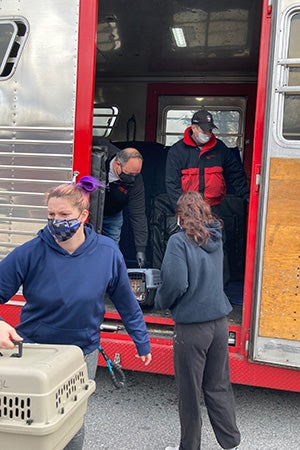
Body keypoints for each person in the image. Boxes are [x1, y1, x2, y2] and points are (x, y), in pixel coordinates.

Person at [0, 175, 152, 450]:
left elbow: (125, 301)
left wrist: (141, 339)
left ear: (83, 215)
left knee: (72, 424)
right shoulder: (30, 252)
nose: (56, 220)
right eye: (51, 214)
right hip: (35, 353)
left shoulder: (107, 252)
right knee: (31, 426)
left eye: (64, 214)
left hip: (82, 353)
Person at [154, 191, 240, 450]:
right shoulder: (215, 237)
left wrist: (160, 301)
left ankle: (189, 447)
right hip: (219, 323)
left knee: (190, 394)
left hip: (192, 327)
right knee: (218, 385)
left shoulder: (178, 242)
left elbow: (176, 283)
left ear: (180, 216)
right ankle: (231, 442)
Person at [165, 108, 250, 284]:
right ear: (193, 128)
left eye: (210, 130)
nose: (208, 133)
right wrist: (183, 211)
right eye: (204, 130)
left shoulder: (220, 149)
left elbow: (236, 175)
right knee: (189, 248)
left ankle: (220, 287)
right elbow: (171, 185)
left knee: (219, 247)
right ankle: (191, 286)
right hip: (189, 211)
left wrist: (248, 197)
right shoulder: (177, 151)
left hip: (214, 208)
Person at [93, 139, 148, 268]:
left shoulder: (136, 181)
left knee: (112, 250)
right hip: (91, 211)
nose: (132, 178)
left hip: (113, 215)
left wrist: (141, 249)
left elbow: (138, 214)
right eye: (129, 174)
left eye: (136, 174)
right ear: (117, 164)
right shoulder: (100, 158)